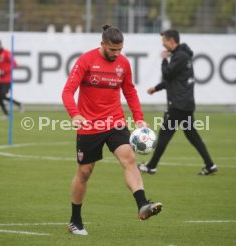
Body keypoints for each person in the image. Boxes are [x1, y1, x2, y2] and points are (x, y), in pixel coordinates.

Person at [62, 24, 162, 236]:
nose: (117, 54)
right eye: (112, 50)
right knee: (84, 172)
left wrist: (139, 119)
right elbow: (68, 91)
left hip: (115, 121)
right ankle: (75, 221)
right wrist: (75, 114)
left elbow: (130, 91)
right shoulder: (86, 61)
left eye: (120, 49)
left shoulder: (123, 64)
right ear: (102, 45)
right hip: (90, 125)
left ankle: (142, 204)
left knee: (129, 159)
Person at [138, 29, 217, 176]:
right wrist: (156, 88)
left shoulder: (179, 57)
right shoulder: (183, 56)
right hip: (185, 104)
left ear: (171, 41)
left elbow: (167, 74)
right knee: (192, 135)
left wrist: (163, 60)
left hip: (178, 104)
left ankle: (151, 167)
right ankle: (210, 165)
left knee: (164, 135)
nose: (163, 46)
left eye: (164, 42)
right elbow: (173, 79)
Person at [0, 40, 23, 120]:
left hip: (7, 79)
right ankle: (8, 114)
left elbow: (14, 64)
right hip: (0, 79)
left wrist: (5, 71)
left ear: (0, 45)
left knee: (2, 96)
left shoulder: (6, 53)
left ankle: (19, 104)